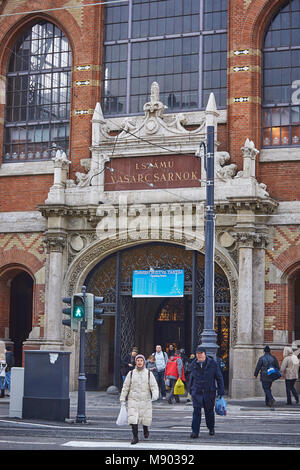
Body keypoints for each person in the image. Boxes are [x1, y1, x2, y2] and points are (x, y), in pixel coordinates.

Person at [120, 354, 159, 445]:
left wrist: (155, 394)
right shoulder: (131, 373)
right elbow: (125, 387)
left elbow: (154, 386)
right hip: (133, 400)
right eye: (138, 360)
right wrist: (122, 398)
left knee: (144, 418)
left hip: (145, 400)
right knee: (133, 419)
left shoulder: (149, 373)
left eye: (141, 360)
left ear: (144, 362)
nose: (139, 362)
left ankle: (145, 429)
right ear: (135, 362)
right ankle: (135, 437)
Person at [188, 346, 224, 437]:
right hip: (197, 391)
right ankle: (195, 431)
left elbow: (219, 378)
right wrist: (190, 390)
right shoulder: (193, 364)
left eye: (201, 354)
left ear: (205, 354)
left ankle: (211, 427)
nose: (199, 356)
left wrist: (221, 391)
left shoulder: (213, 364)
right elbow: (191, 378)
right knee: (196, 411)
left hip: (209, 391)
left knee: (209, 412)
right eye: (197, 355)